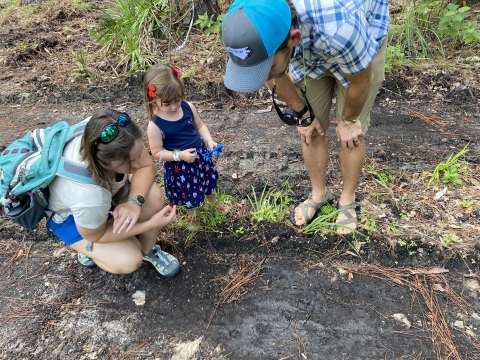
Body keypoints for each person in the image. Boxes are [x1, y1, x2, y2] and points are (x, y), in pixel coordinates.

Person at [221, 0, 389, 234]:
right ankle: (320, 194)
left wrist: (349, 120)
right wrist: (303, 114)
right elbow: (269, 73)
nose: (263, 75)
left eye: (267, 67)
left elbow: (362, 79)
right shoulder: (252, 17)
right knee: (309, 129)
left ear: (294, 38)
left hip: (357, 44)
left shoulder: (342, 28)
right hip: (313, 47)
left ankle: (347, 200)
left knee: (351, 135)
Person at [46, 109, 181, 277]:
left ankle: (148, 250)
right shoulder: (87, 195)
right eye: (131, 161)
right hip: (71, 217)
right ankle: (90, 250)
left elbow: (146, 167)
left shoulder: (109, 132)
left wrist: (134, 202)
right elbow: (98, 234)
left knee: (152, 199)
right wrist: (151, 224)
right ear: (106, 162)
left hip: (103, 192)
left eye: (138, 154)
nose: (138, 164)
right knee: (128, 258)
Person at [143, 64, 225, 229]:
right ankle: (191, 215)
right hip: (180, 167)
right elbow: (157, 152)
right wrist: (179, 155)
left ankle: (212, 202)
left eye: (177, 100)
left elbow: (200, 125)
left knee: (207, 182)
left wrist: (209, 141)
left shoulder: (188, 107)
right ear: (153, 98)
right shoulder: (155, 125)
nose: (173, 107)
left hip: (199, 157)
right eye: (166, 104)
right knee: (188, 192)